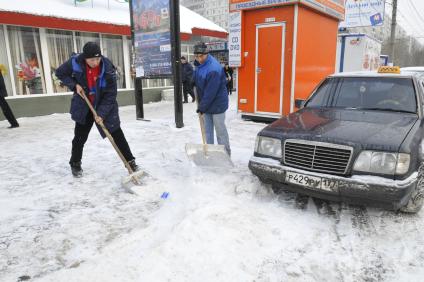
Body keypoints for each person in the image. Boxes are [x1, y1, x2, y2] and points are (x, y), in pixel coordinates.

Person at [55, 42, 139, 177]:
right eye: (92, 59)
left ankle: (130, 162)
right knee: (80, 137)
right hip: (84, 105)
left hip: (104, 105)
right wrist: (74, 85)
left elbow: (111, 94)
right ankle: (75, 163)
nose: (95, 62)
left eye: (97, 58)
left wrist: (101, 114)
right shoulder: (75, 62)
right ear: (85, 58)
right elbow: (60, 73)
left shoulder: (107, 68)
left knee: (117, 134)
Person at [193, 42, 231, 156]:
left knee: (220, 131)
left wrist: (201, 107)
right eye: (197, 56)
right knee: (207, 131)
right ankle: (210, 152)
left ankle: (225, 154)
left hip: (217, 103)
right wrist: (192, 79)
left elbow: (211, 92)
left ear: (206, 54)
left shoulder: (213, 68)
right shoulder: (199, 65)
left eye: (201, 56)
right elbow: (199, 76)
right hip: (206, 103)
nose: (199, 59)